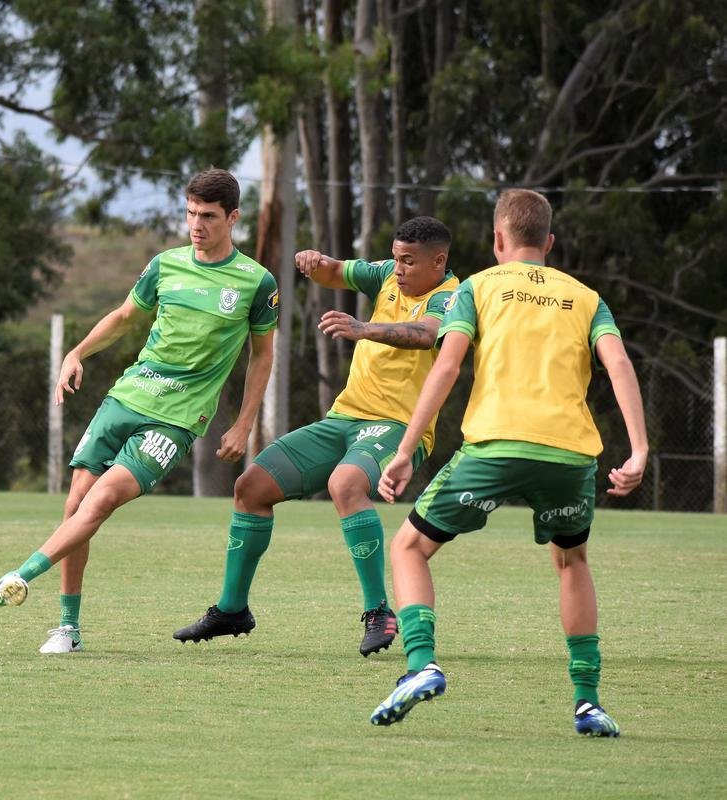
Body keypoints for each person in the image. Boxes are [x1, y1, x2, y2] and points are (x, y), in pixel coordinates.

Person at [370, 189, 647, 737]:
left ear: (498, 240)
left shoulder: (476, 287)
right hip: (569, 456)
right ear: (548, 243)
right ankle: (587, 701)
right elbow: (617, 363)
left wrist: (405, 449)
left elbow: (446, 369)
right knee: (573, 563)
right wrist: (639, 449)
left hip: (496, 447)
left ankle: (421, 664)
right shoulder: (586, 297)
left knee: (409, 546)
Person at [0, 169, 279, 654]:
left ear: (233, 218)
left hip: (176, 418)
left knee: (101, 501)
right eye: (190, 214)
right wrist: (76, 353)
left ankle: (21, 575)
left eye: (207, 216)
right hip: (127, 396)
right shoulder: (164, 265)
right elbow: (124, 318)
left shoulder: (255, 282)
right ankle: (68, 629)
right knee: (75, 503)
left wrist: (245, 422)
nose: (196, 225)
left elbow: (263, 355)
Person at [173, 216, 460, 656]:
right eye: (396, 259)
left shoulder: (452, 296)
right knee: (250, 488)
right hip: (344, 419)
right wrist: (313, 261)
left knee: (344, 484)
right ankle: (232, 610)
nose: (398, 269)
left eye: (408, 262)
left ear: (438, 261)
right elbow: (335, 271)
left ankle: (379, 610)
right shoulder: (385, 274)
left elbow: (428, 335)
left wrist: (365, 328)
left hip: (397, 429)